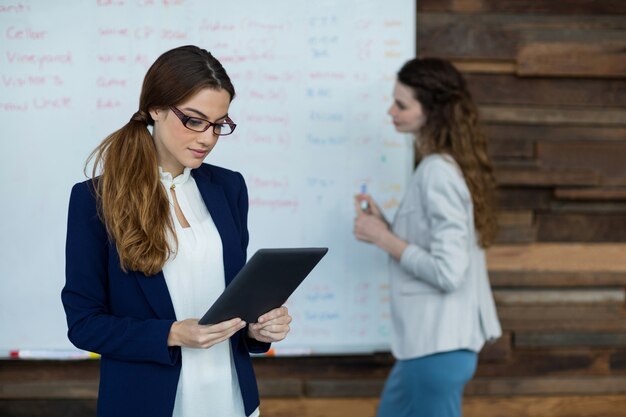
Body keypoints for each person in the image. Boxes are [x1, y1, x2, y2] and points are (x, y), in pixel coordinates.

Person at [61, 45, 292, 417]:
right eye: (194, 120)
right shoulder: (95, 199)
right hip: (147, 403)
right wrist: (172, 333)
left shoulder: (229, 188)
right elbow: (85, 325)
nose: (207, 138)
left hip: (232, 399)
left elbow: (234, 299)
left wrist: (258, 329)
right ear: (155, 108)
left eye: (219, 125)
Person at [353, 57, 502, 417]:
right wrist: (386, 228)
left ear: (432, 112)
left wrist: (382, 238)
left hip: (438, 349)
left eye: (402, 104)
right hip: (431, 348)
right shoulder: (443, 166)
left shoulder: (437, 171)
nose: (391, 110)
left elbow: (449, 272)